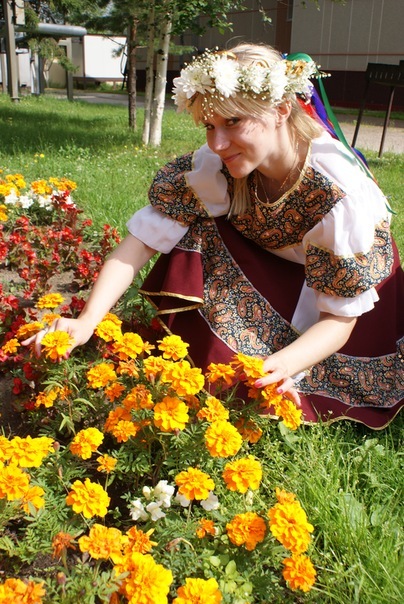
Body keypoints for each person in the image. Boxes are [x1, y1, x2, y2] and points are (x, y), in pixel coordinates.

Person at [24, 43, 404, 429]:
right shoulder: (216, 166)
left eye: (233, 121)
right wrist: (87, 320)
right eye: (209, 125)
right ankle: (210, 346)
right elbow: (141, 242)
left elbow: (338, 318)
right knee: (193, 223)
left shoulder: (334, 192)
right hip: (281, 258)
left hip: (351, 297)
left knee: (300, 373)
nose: (217, 144)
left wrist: (282, 365)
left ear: (281, 110)